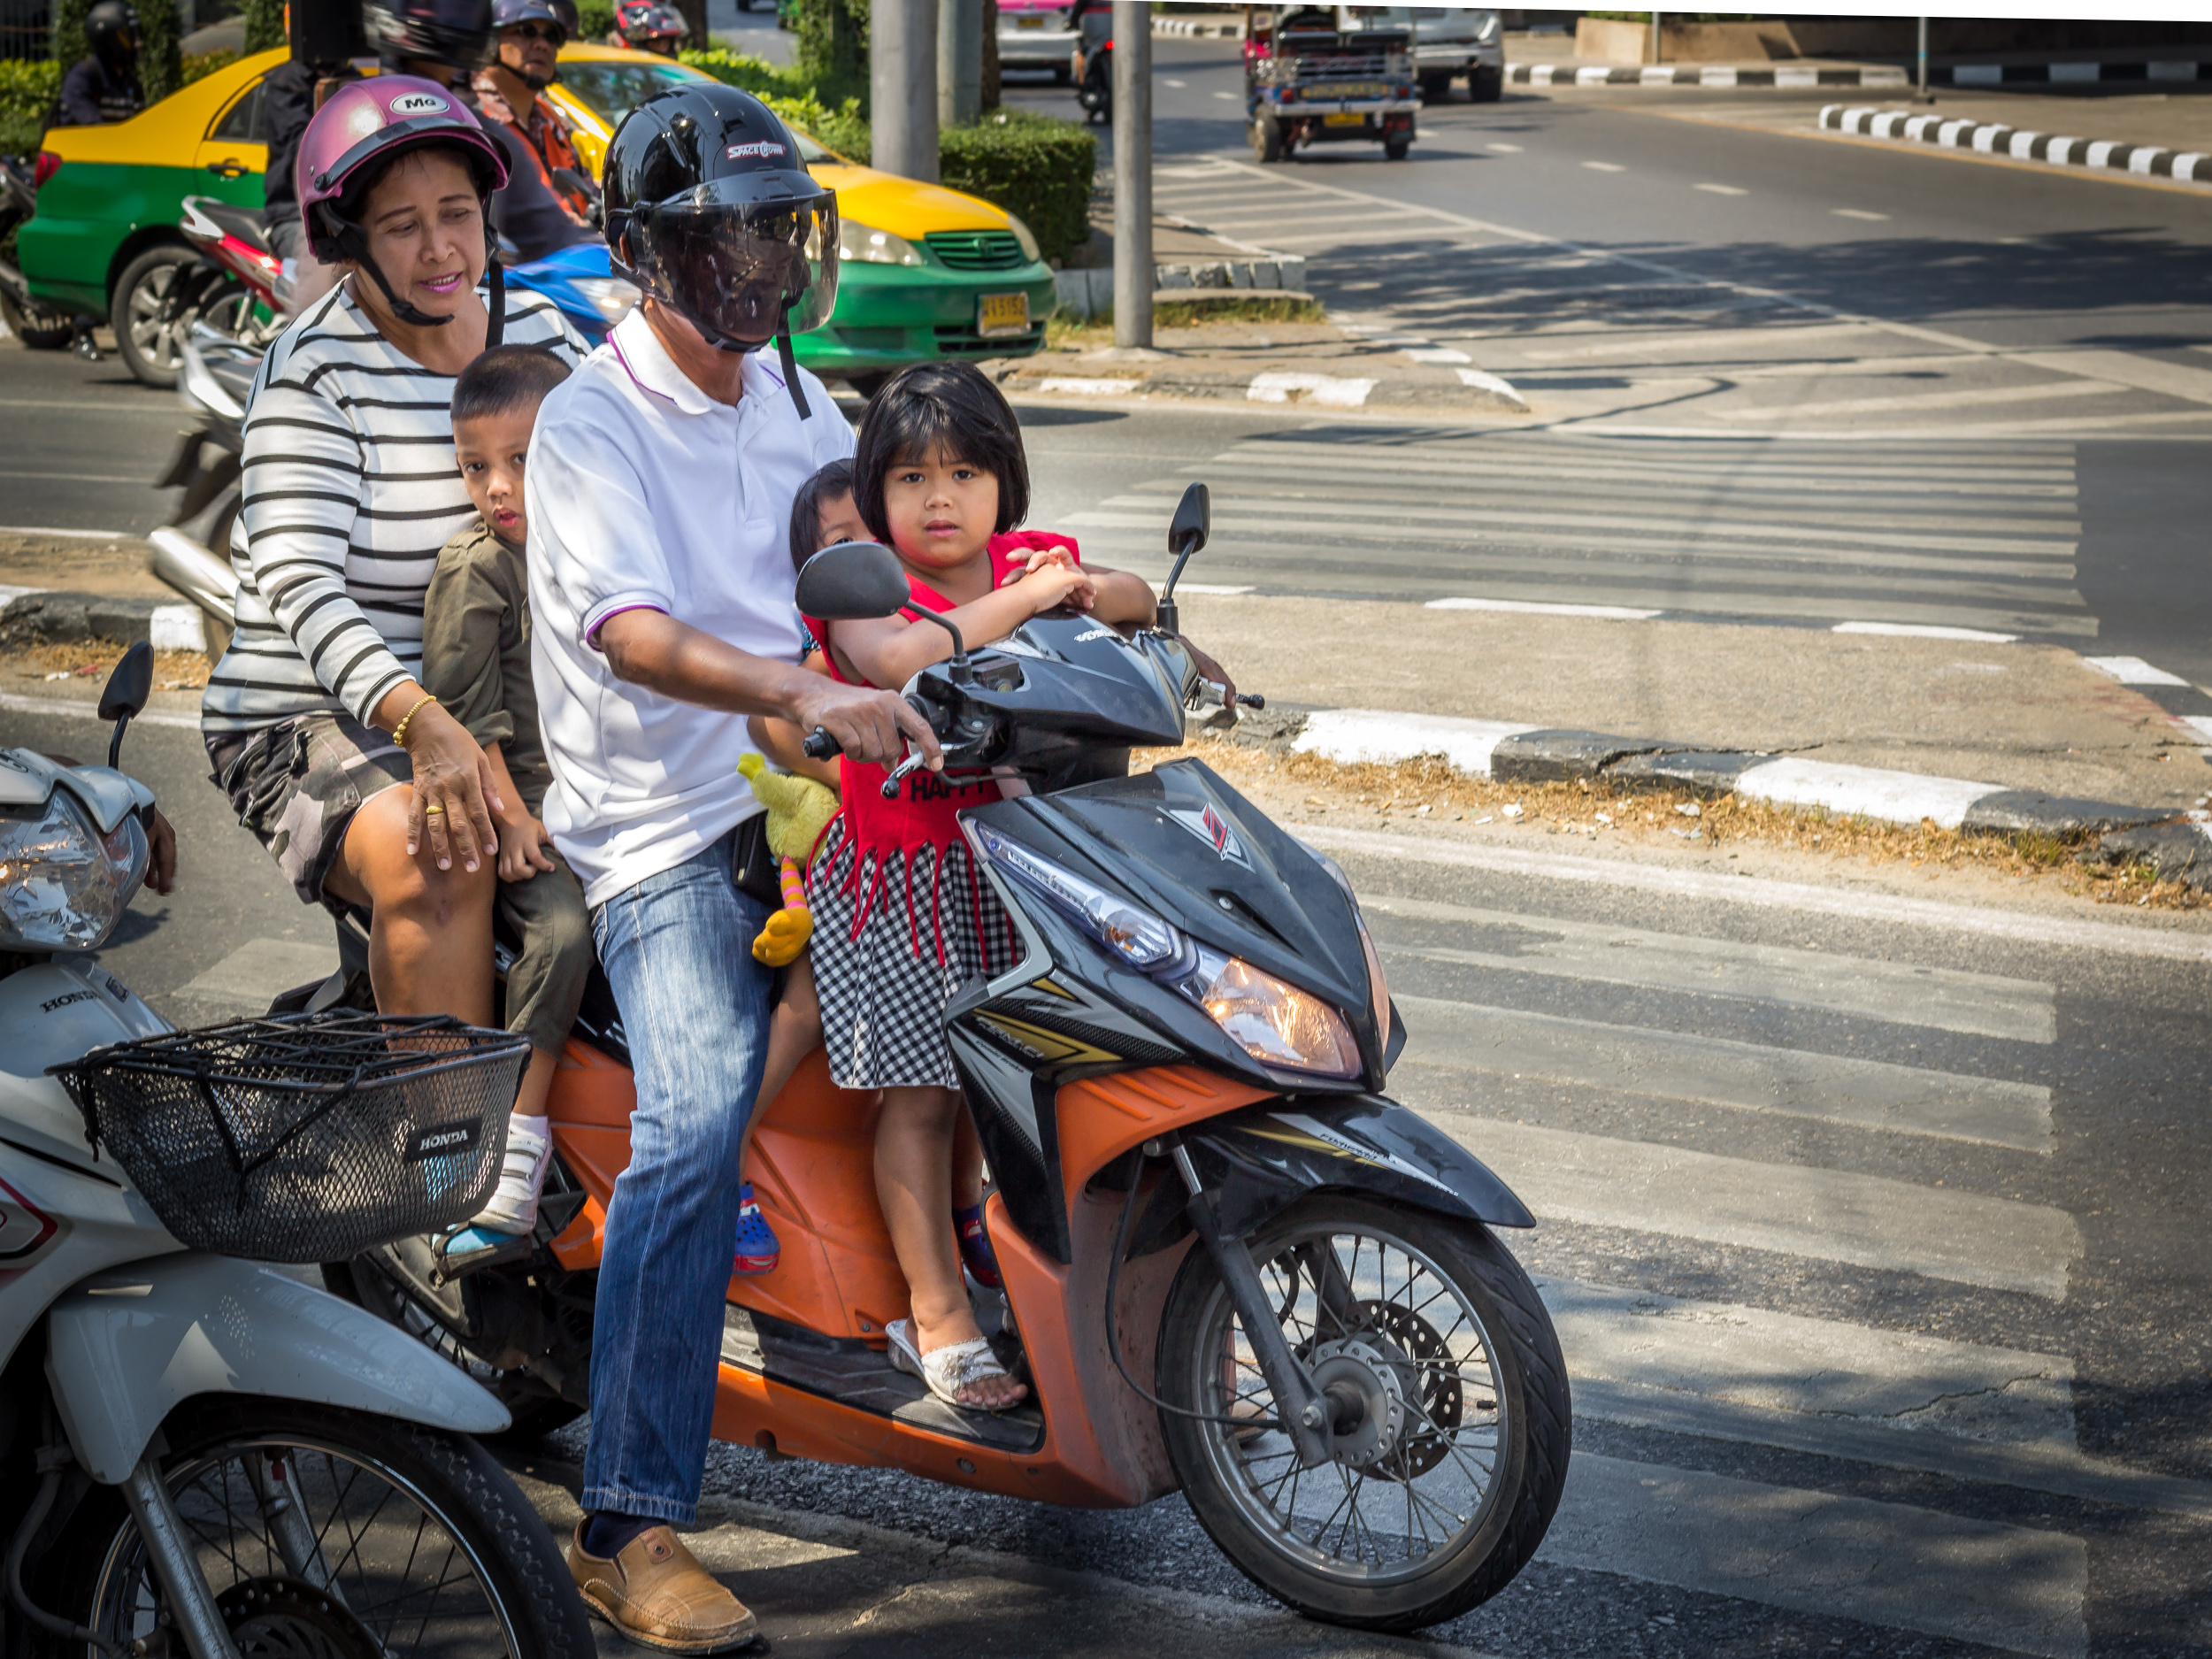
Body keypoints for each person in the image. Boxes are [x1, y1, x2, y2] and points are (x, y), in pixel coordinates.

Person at [527, 81, 933, 1652]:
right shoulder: (592, 424)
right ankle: (628, 1522)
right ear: (650, 253)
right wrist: (798, 691)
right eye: (729, 233)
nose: (763, 260)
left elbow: (873, 585)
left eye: (781, 227)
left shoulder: (801, 399)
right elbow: (628, 633)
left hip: (822, 789)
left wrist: (1042, 621)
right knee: (694, 1123)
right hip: (668, 833)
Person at [202, 81, 585, 1076]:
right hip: (314, 715)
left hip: (508, 700)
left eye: (456, 215)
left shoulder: (542, 330)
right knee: (439, 847)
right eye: (404, 227)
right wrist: (429, 726)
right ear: (349, 238)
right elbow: (295, 578)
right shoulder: (312, 370)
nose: (441, 250)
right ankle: (438, 1166)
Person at [803, 361, 1156, 1411]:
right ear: (875, 496)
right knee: (921, 1100)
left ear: (1007, 481)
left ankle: (1085, 1295)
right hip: (906, 878)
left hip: (1030, 870)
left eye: (964, 471)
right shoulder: (865, 589)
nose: (940, 499)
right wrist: (1030, 597)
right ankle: (935, 1314)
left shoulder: (1032, 561)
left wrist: (1092, 593)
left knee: (1036, 1094)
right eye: (910, 477)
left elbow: (1132, 600)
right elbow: (898, 657)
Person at [419, 343, 592, 1237]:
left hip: (607, 799)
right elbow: (463, 719)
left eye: (521, 460)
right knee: (562, 933)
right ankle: (514, 1141)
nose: (497, 486)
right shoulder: (477, 568)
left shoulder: (600, 548)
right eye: (475, 466)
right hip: (520, 807)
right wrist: (516, 821)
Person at [474, 0, 594, 225]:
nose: (543, 45)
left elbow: (585, 184)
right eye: (526, 31)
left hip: (578, 249)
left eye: (551, 36)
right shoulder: (469, 116)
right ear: (489, 42)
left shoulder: (550, 116)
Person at [54, 0, 143, 127]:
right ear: (108, 39)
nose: (137, 43)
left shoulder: (129, 82)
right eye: (127, 36)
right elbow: (93, 130)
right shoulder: (82, 78)